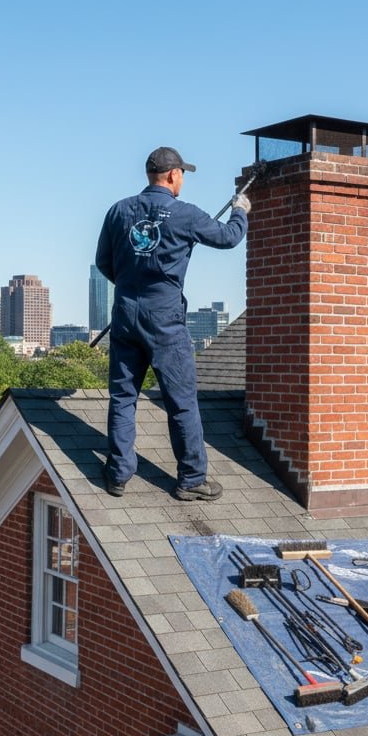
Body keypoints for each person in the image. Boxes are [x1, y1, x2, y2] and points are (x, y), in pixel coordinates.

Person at [95, 146, 251, 501]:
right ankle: (192, 479)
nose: (183, 179)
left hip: (125, 312)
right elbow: (227, 237)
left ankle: (118, 474)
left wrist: (131, 285)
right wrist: (241, 211)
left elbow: (104, 261)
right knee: (181, 400)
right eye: (182, 174)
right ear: (172, 175)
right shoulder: (184, 215)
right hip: (164, 317)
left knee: (122, 396)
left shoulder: (119, 211)